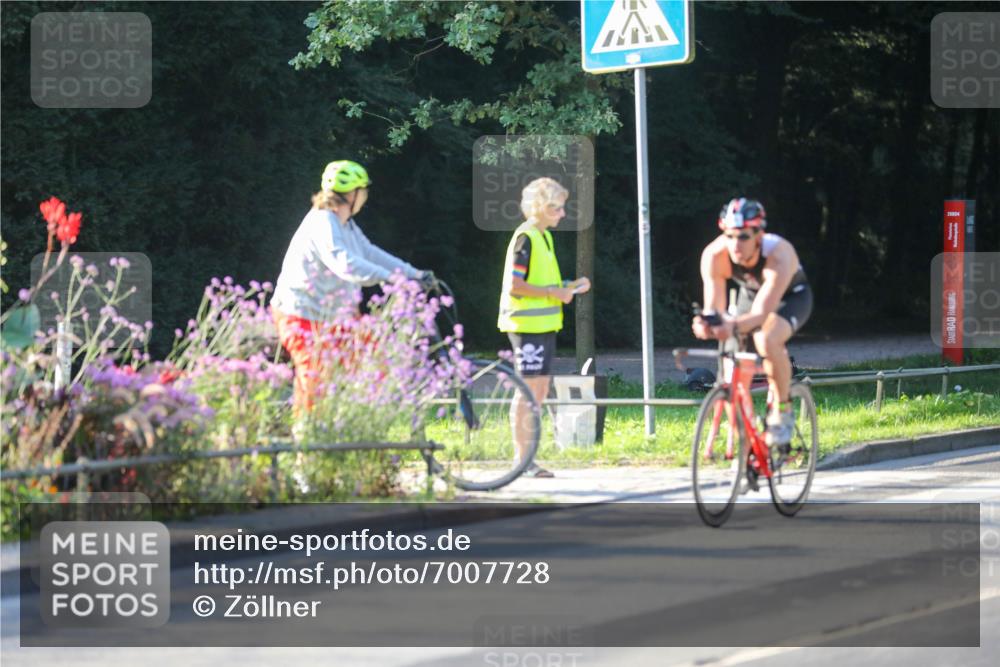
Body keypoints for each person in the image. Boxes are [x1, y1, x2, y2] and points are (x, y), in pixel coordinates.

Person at [271, 160, 431, 414]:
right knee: (315, 378)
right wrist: (391, 279)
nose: (365, 198)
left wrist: (414, 273)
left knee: (376, 360)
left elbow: (368, 252)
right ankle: (305, 447)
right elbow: (344, 263)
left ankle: (351, 427)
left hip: (333, 316)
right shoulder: (323, 222)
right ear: (353, 194)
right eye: (363, 192)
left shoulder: (345, 225)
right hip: (301, 315)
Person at [691, 197, 813, 450]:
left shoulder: (779, 254)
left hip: (790, 297)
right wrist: (707, 323)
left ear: (759, 234)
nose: (736, 244)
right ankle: (746, 439)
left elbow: (760, 315)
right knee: (732, 366)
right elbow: (715, 309)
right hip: (752, 294)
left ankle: (783, 411)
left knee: (766, 339)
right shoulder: (715, 255)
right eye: (730, 235)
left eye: (744, 236)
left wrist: (731, 326)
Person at [498, 177, 591, 478]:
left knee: (538, 390)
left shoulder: (543, 237)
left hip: (543, 326)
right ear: (538, 207)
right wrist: (555, 292)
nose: (562, 215)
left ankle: (528, 460)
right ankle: (521, 461)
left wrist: (569, 286)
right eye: (556, 209)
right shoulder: (525, 237)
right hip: (526, 327)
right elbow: (515, 285)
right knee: (528, 392)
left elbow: (543, 284)